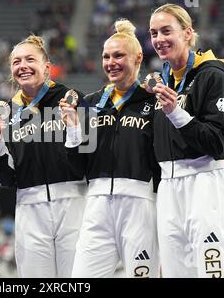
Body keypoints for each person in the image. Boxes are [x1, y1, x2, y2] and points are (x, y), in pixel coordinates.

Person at [59, 19, 160, 278]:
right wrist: (71, 129)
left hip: (140, 205)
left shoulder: (154, 102)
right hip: (96, 206)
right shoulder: (91, 103)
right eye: (106, 56)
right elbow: (78, 167)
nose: (110, 62)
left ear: (138, 58)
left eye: (118, 56)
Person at [148, 3, 224, 277]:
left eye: (166, 30)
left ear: (188, 33)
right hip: (169, 189)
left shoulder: (213, 75)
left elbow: (216, 142)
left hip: (206, 182)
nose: (159, 39)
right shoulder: (163, 83)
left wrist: (176, 113)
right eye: (153, 33)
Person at [0, 35, 87, 278]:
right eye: (16, 62)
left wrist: (74, 129)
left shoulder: (72, 99)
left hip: (73, 202)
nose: (23, 66)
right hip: (30, 208)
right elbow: (7, 179)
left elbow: (87, 160)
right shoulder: (7, 113)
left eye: (30, 59)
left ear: (46, 67)